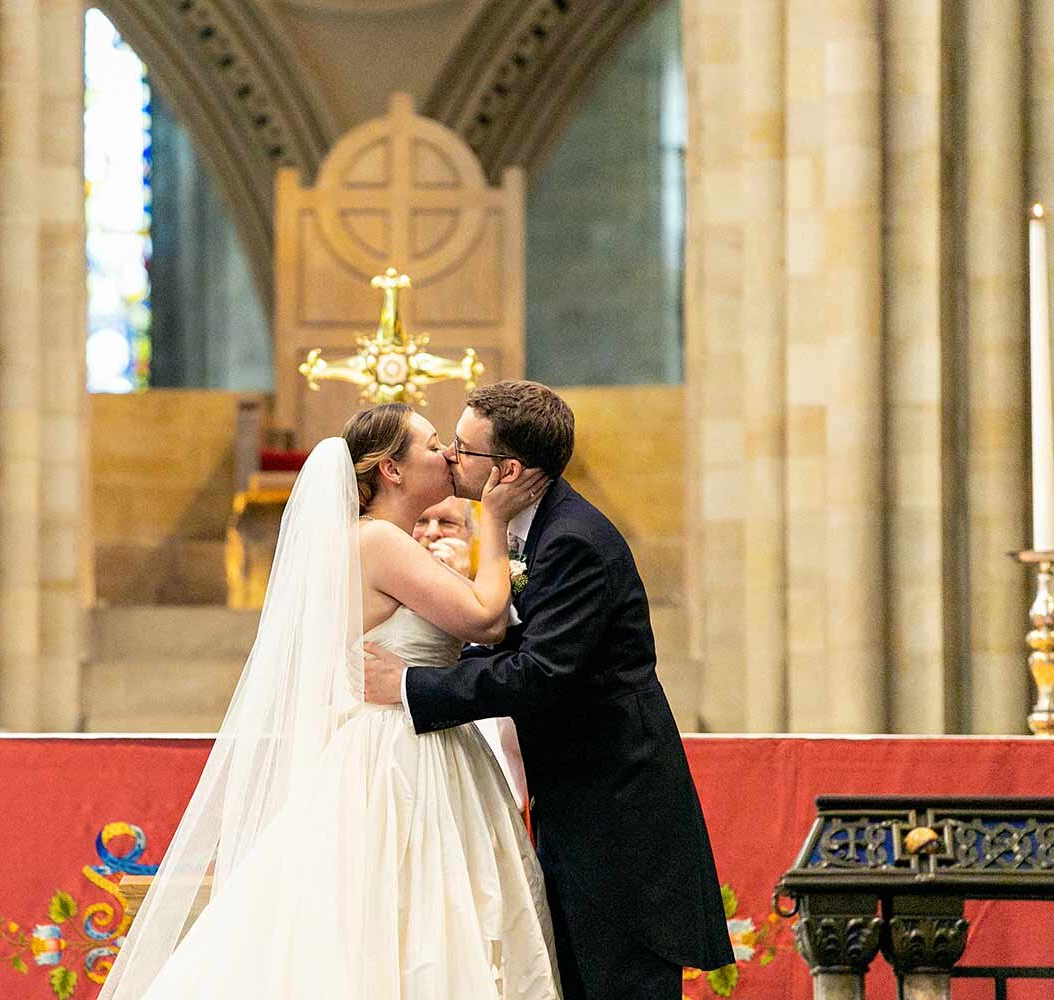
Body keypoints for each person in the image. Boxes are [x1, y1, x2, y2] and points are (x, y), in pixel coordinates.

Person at [101, 403, 559, 1000]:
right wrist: (495, 521)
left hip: (421, 738)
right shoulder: (377, 542)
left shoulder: (383, 541)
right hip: (401, 756)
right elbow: (486, 620)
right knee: (406, 921)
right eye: (429, 445)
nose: (447, 454)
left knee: (415, 922)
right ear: (391, 471)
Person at [364, 380, 734, 1000]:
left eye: (463, 448)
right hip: (573, 804)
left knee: (620, 981)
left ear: (507, 470)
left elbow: (538, 673)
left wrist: (408, 683)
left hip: (616, 817)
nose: (452, 457)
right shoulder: (529, 528)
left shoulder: (572, 541)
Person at [413, 496, 530, 814]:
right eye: (421, 521)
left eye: (447, 523)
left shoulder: (497, 591)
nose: (433, 533)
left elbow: (509, 658)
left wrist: (461, 586)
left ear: (471, 532)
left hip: (482, 720)